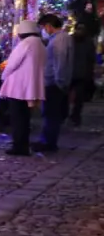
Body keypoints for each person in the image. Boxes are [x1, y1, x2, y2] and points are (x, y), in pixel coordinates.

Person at [0, 19, 46, 157]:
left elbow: (12, 63)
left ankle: (18, 145)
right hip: (31, 85)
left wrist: (4, 76)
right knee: (24, 117)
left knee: (17, 117)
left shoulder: (26, 43)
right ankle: (22, 144)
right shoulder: (40, 44)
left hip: (18, 86)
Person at [35, 13, 73, 152]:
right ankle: (48, 140)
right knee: (51, 114)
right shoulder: (59, 38)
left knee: (51, 114)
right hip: (54, 82)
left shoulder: (59, 40)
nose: (43, 31)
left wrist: (60, 81)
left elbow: (60, 62)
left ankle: (48, 142)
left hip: (53, 83)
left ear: (49, 26)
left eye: (43, 27)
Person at [69, 13, 97, 127]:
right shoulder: (71, 40)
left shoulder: (88, 43)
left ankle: (75, 116)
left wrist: (90, 74)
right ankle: (70, 115)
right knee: (66, 96)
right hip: (71, 73)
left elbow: (91, 59)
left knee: (78, 99)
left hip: (81, 74)